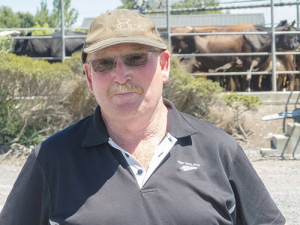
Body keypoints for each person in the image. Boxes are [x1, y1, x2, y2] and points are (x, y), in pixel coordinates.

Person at [0, 9, 286, 225]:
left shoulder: (220, 151)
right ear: (89, 76)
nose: (121, 75)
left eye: (136, 58)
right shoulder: (51, 159)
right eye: (104, 63)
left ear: (164, 65)